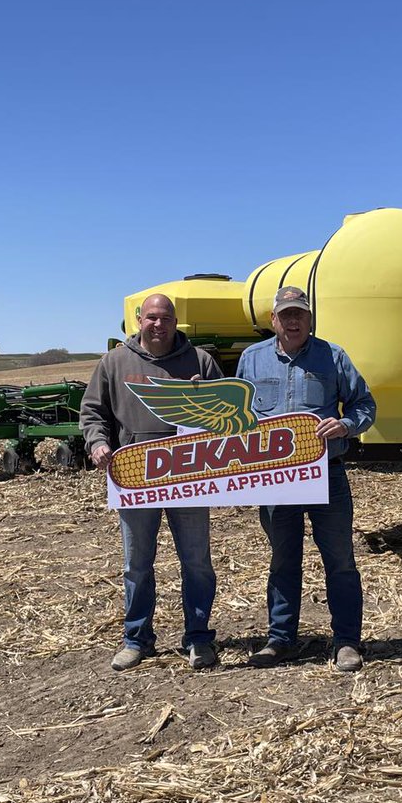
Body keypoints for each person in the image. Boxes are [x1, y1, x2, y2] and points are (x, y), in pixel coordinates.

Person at [235, 286, 377, 672]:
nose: (293, 321)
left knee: (340, 560)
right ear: (273, 320)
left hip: (325, 475)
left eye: (300, 314)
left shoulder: (333, 357)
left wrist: (346, 424)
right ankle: (281, 640)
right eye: (286, 315)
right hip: (276, 481)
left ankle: (347, 641)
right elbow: (238, 420)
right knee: (283, 560)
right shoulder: (251, 360)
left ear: (310, 319)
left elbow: (365, 404)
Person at [80, 293, 223, 672]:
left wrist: (203, 405)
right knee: (136, 564)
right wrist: (97, 444)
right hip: (135, 477)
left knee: (196, 562)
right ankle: (136, 638)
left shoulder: (201, 362)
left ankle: (198, 638)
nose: (158, 325)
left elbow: (224, 416)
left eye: (166, 319)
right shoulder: (114, 363)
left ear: (177, 323)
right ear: (138, 320)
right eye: (151, 318)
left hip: (189, 477)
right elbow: (92, 411)